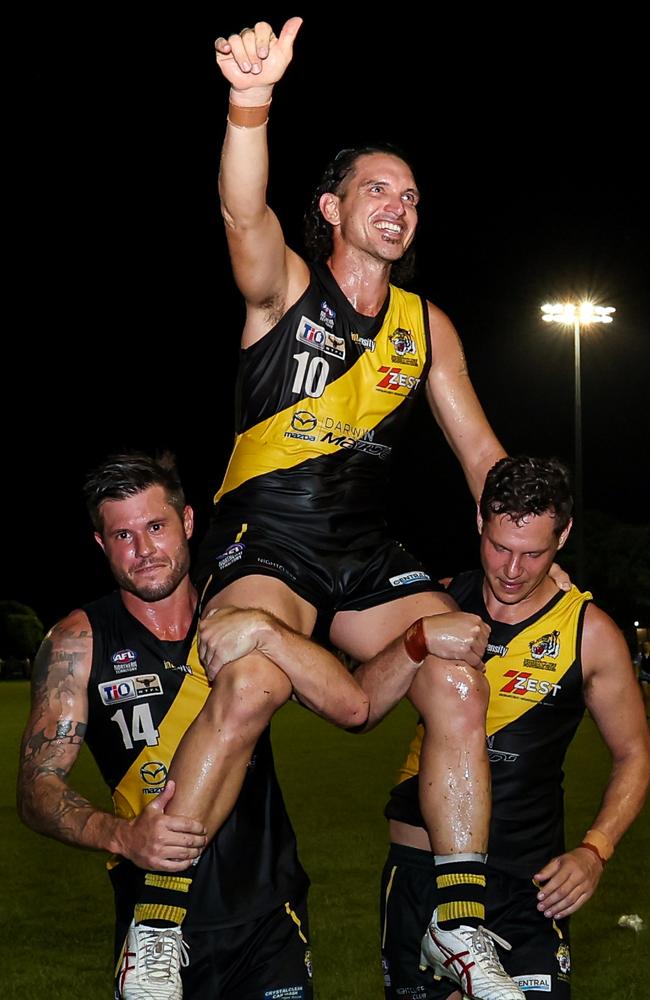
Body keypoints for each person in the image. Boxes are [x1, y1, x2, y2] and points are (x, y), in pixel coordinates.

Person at [126, 17, 571, 1000]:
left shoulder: (425, 328)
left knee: (456, 666)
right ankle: (157, 929)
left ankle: (455, 928)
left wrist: (538, 553)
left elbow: (481, 457)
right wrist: (250, 101)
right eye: (378, 189)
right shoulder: (283, 290)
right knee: (244, 684)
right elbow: (242, 214)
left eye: (411, 197)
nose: (398, 207)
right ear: (329, 207)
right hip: (271, 542)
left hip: (365, 553)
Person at [17, 452, 322, 1000]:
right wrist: (121, 834)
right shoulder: (76, 643)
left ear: (186, 522)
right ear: (101, 545)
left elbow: (354, 707)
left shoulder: (239, 617)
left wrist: (417, 641)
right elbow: (37, 787)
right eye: (123, 536)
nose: (143, 551)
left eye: (155, 527)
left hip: (265, 919)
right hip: (152, 934)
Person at [380, 456, 650, 999]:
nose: (512, 570)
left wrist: (595, 850)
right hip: (423, 872)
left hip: (530, 885)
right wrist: (414, 639)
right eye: (500, 547)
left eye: (533, 554)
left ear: (564, 537)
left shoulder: (589, 633)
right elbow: (360, 703)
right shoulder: (438, 601)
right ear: (480, 521)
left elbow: (635, 754)